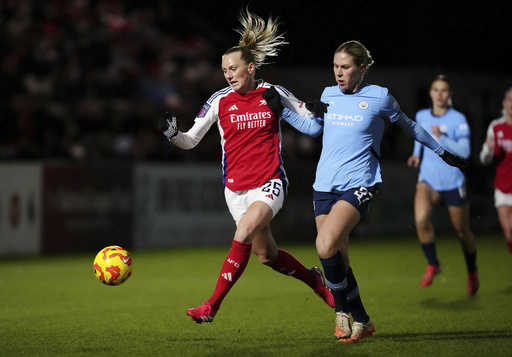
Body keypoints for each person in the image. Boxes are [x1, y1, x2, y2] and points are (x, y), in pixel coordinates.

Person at [262, 40, 467, 342]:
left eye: (345, 67)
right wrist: (282, 111)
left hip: (361, 182)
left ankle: (340, 312)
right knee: (338, 258)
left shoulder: (380, 97)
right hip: (324, 185)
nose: (339, 73)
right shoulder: (329, 94)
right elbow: (315, 129)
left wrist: (440, 151)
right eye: (335, 67)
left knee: (324, 245)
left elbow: (409, 126)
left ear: (361, 67)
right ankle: (364, 321)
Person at [156, 8, 334, 324]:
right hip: (235, 189)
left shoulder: (273, 93)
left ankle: (211, 306)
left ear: (250, 68)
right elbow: (190, 140)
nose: (228, 74)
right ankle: (314, 280)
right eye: (224, 70)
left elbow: (314, 127)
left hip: (269, 181)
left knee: (244, 231)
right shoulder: (219, 100)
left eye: (234, 68)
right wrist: (173, 135)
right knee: (266, 255)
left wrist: (320, 111)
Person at [406, 75, 478, 295]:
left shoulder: (458, 119)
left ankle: (472, 270)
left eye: (444, 90)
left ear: (450, 95)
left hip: (453, 181)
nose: (439, 94)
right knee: (420, 219)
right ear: (430, 93)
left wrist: (442, 136)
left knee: (462, 232)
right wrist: (416, 155)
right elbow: (420, 137)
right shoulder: (421, 115)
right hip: (428, 180)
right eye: (436, 89)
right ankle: (433, 263)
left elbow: (465, 152)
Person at [480, 88, 512, 256]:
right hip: (502, 186)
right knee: (508, 233)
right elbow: (484, 159)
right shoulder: (496, 126)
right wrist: (489, 151)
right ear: (504, 103)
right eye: (510, 99)